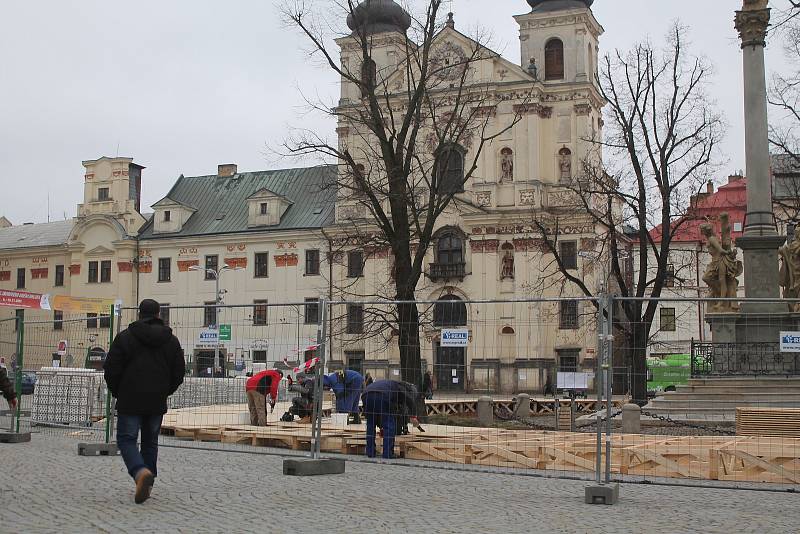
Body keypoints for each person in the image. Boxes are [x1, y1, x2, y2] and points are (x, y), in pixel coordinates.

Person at [104, 299, 185, 505]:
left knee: (126, 439)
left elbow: (111, 369)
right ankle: (147, 483)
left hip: (130, 398)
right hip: (156, 400)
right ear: (159, 314)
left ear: (140, 314)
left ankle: (140, 473)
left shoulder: (125, 338)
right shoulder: (171, 341)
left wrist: (118, 392)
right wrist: (164, 391)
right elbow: (178, 373)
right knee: (150, 442)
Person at [361, 379, 420, 459]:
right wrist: (413, 416)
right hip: (382, 395)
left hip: (366, 394)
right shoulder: (401, 387)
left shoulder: (390, 384)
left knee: (371, 424)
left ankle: (370, 452)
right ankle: (388, 453)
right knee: (389, 425)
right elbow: (410, 400)